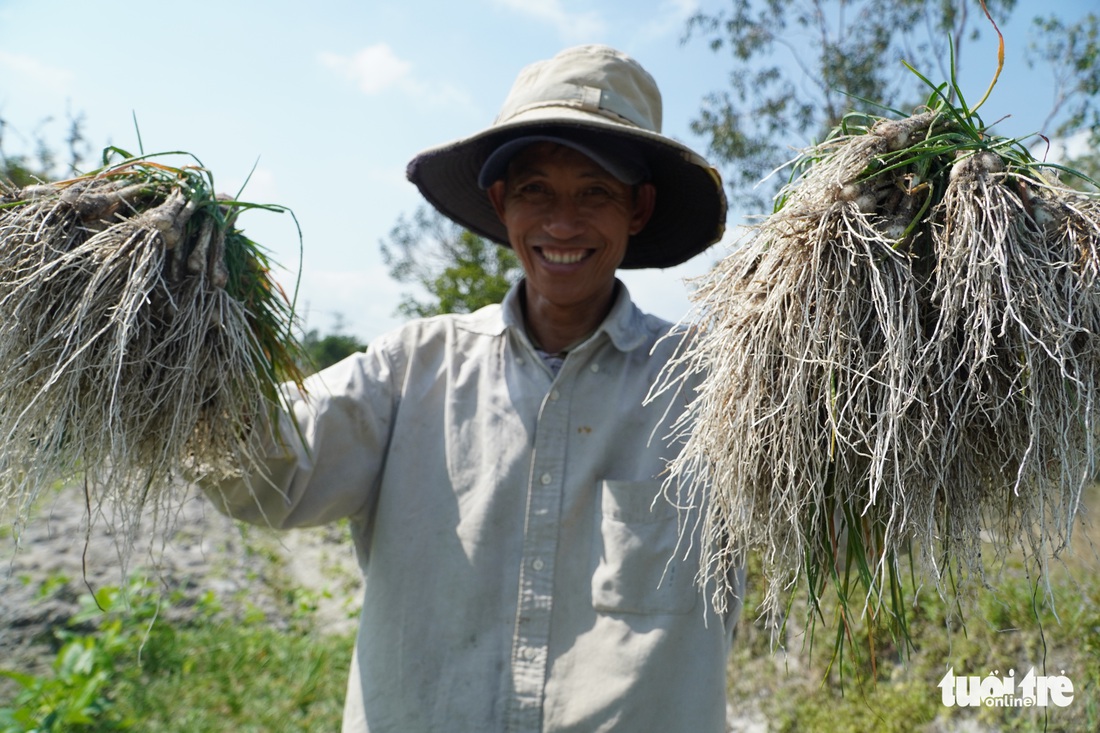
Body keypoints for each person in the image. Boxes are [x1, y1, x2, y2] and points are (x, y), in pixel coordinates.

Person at [202, 44, 743, 732]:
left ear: (638, 208)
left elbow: (846, 481)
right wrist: (185, 350)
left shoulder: (715, 388)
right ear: (500, 202)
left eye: (595, 192)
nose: (562, 223)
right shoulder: (411, 368)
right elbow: (265, 470)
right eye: (535, 190)